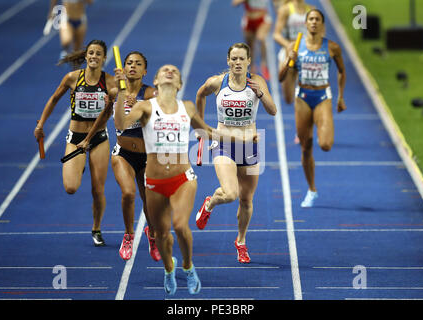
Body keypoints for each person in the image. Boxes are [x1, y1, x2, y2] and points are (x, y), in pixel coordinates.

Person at [113, 64, 255, 295]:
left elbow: (207, 131)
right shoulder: (144, 107)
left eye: (174, 71)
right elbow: (120, 124)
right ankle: (170, 270)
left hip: (183, 178)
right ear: (156, 82)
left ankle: (188, 267)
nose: (169, 71)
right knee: (161, 235)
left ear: (179, 84)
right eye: (164, 70)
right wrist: (120, 93)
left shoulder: (187, 107)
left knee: (180, 226)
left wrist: (241, 137)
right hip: (155, 181)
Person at [195, 43, 276, 264]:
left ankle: (240, 242)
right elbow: (200, 94)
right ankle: (209, 204)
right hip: (223, 144)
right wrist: (201, 128)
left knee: (246, 201)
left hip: (249, 145)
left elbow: (273, 110)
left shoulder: (257, 82)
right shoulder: (217, 82)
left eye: (242, 59)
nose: (238, 62)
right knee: (230, 194)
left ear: (249, 60)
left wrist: (260, 93)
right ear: (228, 61)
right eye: (234, 59)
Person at [77, 51, 160, 262]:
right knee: (129, 194)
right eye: (129, 63)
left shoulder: (151, 94)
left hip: (147, 155)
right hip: (123, 153)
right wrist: (88, 138)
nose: (133, 66)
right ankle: (129, 235)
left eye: (138, 64)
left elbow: (157, 125)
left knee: (148, 201)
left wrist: (139, 109)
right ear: (123, 69)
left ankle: (152, 235)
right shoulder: (114, 92)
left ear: (145, 71)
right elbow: (106, 116)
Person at [34, 39, 116, 246]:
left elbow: (120, 105)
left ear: (104, 58)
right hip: (76, 138)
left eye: (98, 54)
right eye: (91, 53)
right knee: (70, 188)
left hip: (98, 139)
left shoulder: (111, 82)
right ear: (86, 56)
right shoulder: (72, 78)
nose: (94, 57)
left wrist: (119, 94)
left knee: (98, 189)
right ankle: (78, 166)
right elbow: (53, 99)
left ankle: (96, 228)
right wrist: (41, 124)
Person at [279, 9, 347, 207]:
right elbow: (281, 77)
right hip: (302, 98)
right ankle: (311, 190)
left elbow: (342, 72)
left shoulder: (332, 48)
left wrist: (340, 97)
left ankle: (322, 128)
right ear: (306, 24)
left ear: (322, 24)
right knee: (306, 147)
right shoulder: (295, 46)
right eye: (311, 19)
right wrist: (287, 60)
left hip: (323, 96)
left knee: (325, 144)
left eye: (318, 19)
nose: (314, 22)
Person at [274, 0, 314, 105]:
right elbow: (276, 34)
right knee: (288, 99)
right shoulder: (285, 10)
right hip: (289, 55)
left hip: (306, 56)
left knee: (307, 98)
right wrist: (288, 45)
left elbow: (321, 34)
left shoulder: (312, 10)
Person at [232, 0, 272, 80]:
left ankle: (264, 64)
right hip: (249, 20)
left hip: (262, 18)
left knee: (261, 38)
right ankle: (252, 65)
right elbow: (234, 3)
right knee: (250, 46)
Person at [47, 0, 94, 67]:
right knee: (66, 41)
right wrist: (52, 10)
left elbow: (90, 2)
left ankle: (75, 73)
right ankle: (65, 51)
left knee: (77, 52)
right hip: (67, 19)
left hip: (81, 19)